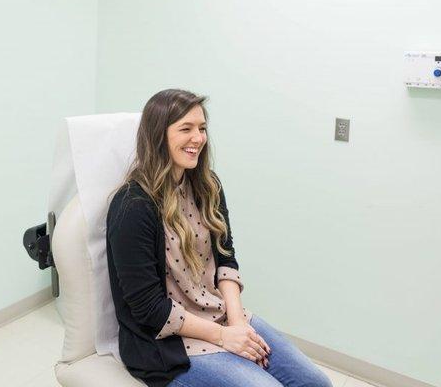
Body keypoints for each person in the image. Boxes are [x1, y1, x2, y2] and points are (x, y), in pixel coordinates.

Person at [106, 89, 333, 387]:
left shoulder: (206, 185)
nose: (198, 138)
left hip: (221, 317)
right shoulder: (132, 207)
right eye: (185, 129)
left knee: (316, 383)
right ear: (158, 136)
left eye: (201, 128)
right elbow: (149, 309)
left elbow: (226, 258)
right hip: (167, 344)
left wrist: (237, 323)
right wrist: (225, 337)